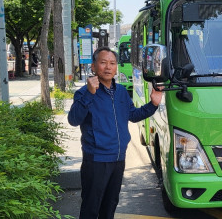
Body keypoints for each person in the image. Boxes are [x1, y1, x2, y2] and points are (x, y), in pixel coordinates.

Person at [68, 46, 163, 219]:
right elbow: (73, 120)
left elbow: (133, 115)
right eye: (103, 62)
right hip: (96, 160)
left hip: (118, 158)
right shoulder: (83, 93)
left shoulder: (120, 92)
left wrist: (153, 104)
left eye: (112, 63)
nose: (108, 67)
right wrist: (90, 94)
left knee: (110, 205)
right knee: (91, 207)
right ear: (94, 66)